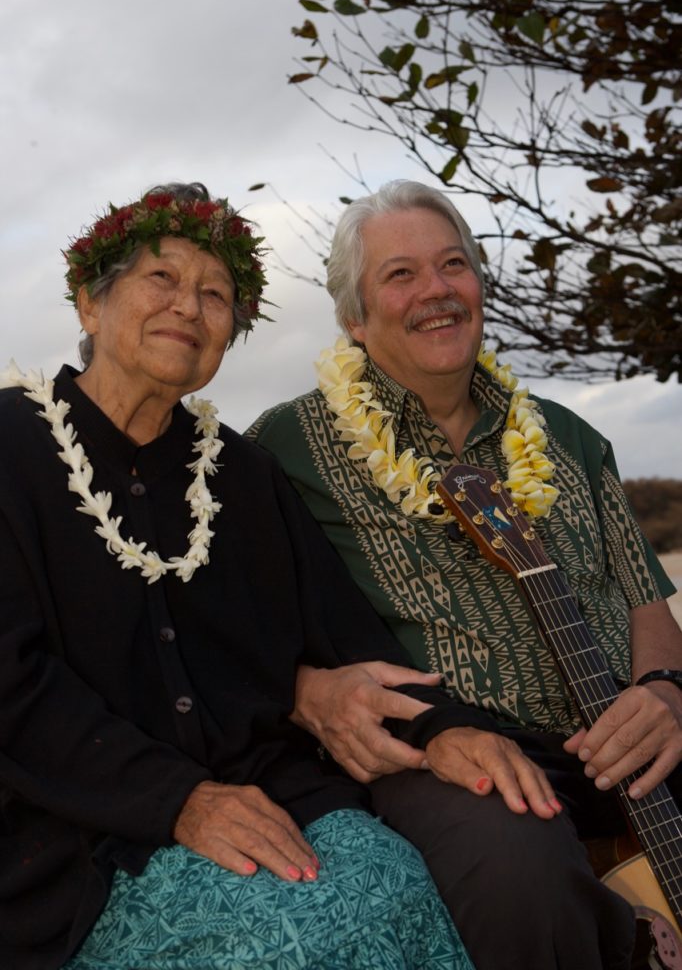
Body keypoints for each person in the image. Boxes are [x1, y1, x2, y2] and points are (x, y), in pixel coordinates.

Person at [0, 181, 491, 970]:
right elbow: (11, 687)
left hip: (281, 800)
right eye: (162, 279)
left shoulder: (244, 471)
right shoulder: (9, 450)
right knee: (290, 943)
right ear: (89, 305)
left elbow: (344, 634)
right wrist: (178, 801)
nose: (189, 308)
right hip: (81, 846)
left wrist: (445, 729)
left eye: (216, 295)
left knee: (399, 889)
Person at [248, 179, 682, 970]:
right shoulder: (284, 449)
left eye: (454, 265)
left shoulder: (571, 437)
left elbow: (648, 602)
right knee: (518, 867)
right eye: (401, 275)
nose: (437, 291)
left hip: (616, 728)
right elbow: (236, 621)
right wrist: (311, 693)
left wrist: (663, 692)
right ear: (355, 316)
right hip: (449, 750)